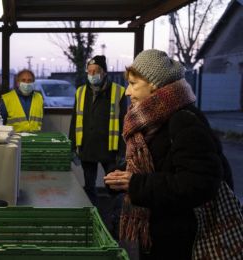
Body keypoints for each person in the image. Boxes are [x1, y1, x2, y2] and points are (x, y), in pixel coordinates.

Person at [104, 49, 233, 259]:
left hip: (184, 242)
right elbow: (149, 165)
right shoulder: (151, 120)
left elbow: (200, 183)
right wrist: (119, 176)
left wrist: (136, 184)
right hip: (161, 235)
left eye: (133, 83)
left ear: (154, 84)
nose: (127, 92)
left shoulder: (184, 120)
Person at [69, 55, 127, 208]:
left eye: (96, 71)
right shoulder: (81, 92)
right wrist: (72, 146)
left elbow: (124, 123)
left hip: (110, 150)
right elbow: (75, 120)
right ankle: (92, 214)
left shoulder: (118, 92)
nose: (92, 75)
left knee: (113, 186)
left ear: (104, 72)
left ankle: (116, 216)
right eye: (89, 71)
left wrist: (123, 150)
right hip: (87, 147)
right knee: (89, 186)